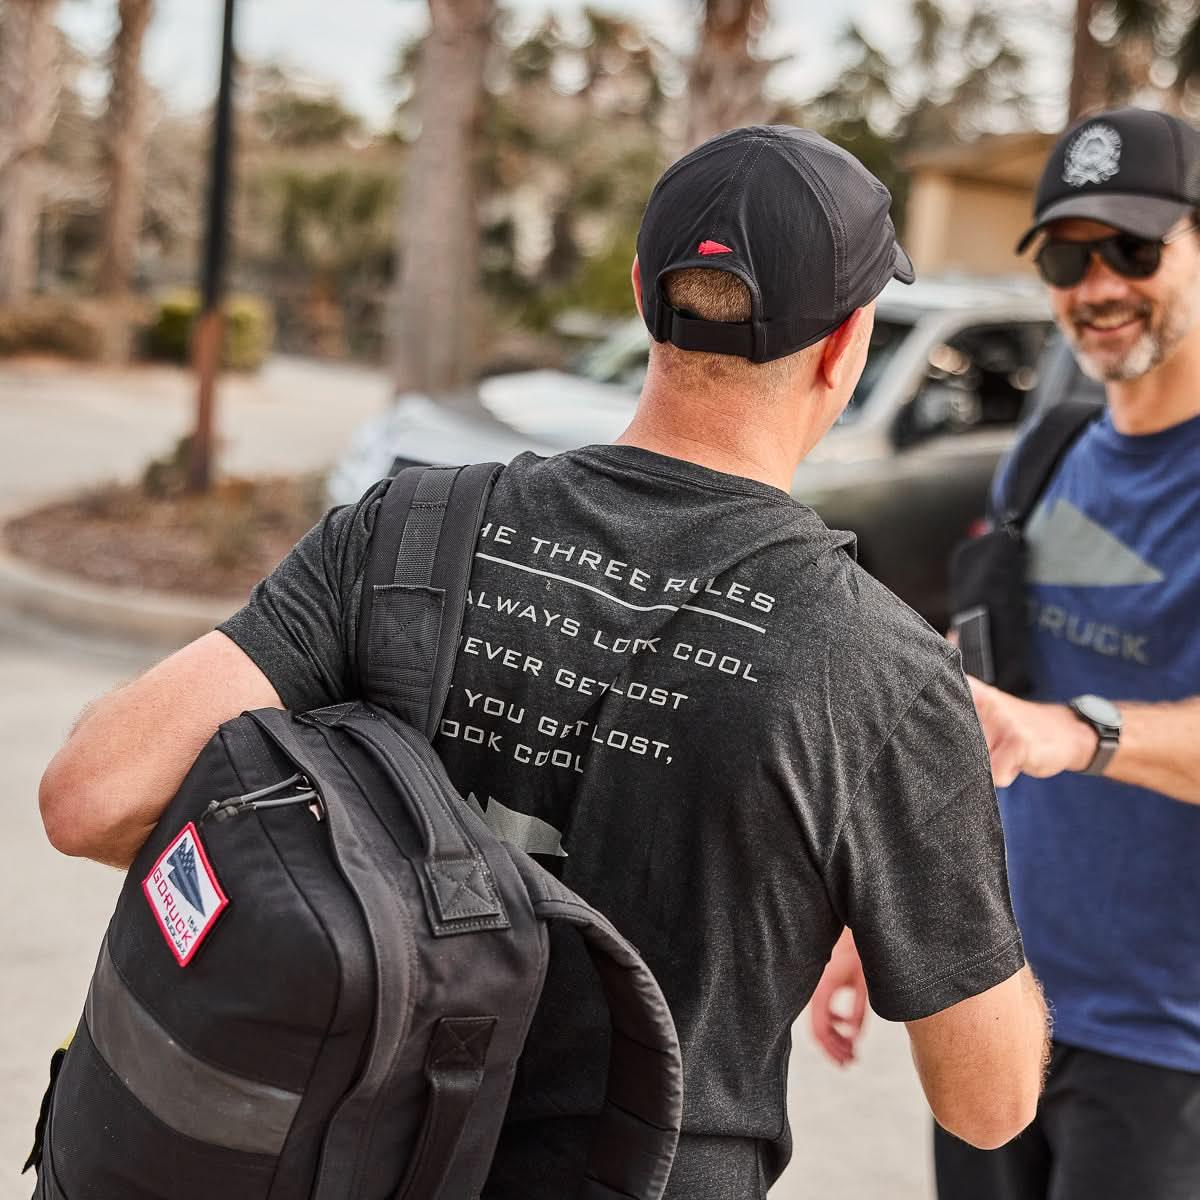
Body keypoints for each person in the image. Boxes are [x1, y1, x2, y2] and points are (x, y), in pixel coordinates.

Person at [39, 126, 1048, 1198]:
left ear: (639, 294)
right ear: (847, 345)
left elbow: (91, 797)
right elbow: (989, 1104)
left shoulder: (404, 532)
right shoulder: (880, 670)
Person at [810, 107, 1200, 1200]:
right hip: (998, 998)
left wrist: (1078, 733)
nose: (1099, 284)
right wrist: (871, 906)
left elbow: (1041, 726)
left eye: (1134, 247)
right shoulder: (1054, 442)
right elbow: (981, 694)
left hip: (1166, 1043)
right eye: (1069, 257)